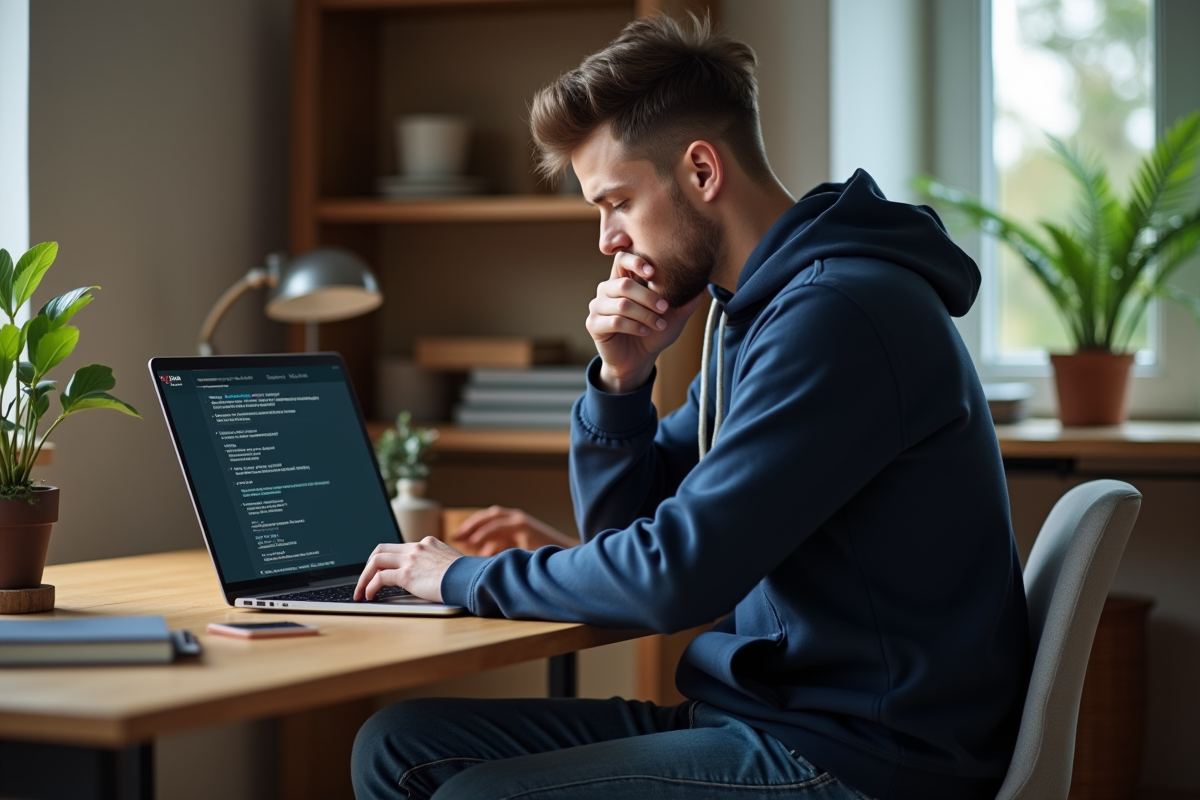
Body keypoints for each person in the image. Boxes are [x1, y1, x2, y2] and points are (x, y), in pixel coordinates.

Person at [351, 14, 1030, 800]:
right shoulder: (756, 314)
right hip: (767, 716)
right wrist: (622, 383)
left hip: (862, 754)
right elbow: (628, 534)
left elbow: (677, 574)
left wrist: (465, 577)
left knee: (479, 797)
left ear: (702, 171)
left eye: (618, 202)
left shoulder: (839, 314)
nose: (607, 241)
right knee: (397, 744)